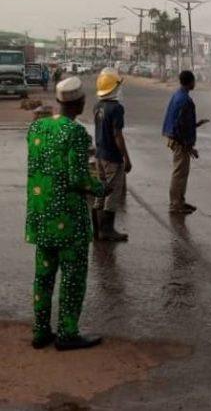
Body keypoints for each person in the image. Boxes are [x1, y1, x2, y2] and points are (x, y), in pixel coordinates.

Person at [26, 76, 106, 350]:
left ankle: (40, 331)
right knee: (72, 277)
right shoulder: (75, 133)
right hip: (68, 220)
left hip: (40, 216)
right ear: (80, 103)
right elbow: (78, 179)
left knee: (43, 276)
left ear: (59, 101)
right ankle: (67, 334)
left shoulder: (37, 128)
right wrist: (99, 188)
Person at [92, 68, 130, 241]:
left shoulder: (97, 106)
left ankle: (97, 229)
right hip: (112, 157)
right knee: (112, 193)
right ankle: (107, 230)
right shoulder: (117, 109)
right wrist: (126, 158)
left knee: (101, 190)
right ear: (113, 88)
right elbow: (117, 135)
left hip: (99, 154)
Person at [162, 70, 208, 214]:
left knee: (182, 173)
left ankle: (180, 201)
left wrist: (196, 124)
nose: (195, 83)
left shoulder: (178, 95)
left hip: (176, 138)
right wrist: (188, 147)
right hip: (179, 141)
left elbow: (181, 122)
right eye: (194, 81)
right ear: (190, 82)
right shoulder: (185, 100)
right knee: (179, 173)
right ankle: (175, 204)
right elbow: (179, 126)